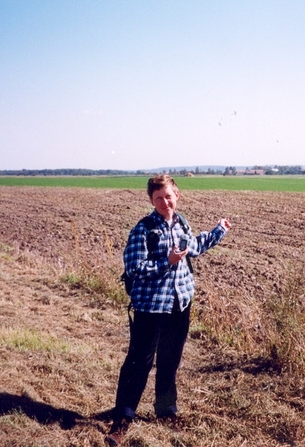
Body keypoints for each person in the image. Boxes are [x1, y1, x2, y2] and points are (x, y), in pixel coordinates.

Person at [106, 174, 231, 446]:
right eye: (158, 198)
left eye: (168, 196)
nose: (164, 202)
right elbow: (134, 269)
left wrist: (219, 230)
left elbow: (195, 247)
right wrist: (167, 261)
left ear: (177, 196)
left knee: (169, 362)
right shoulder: (143, 229)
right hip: (150, 308)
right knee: (138, 365)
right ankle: (122, 420)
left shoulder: (182, 224)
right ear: (151, 200)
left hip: (179, 305)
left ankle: (165, 411)